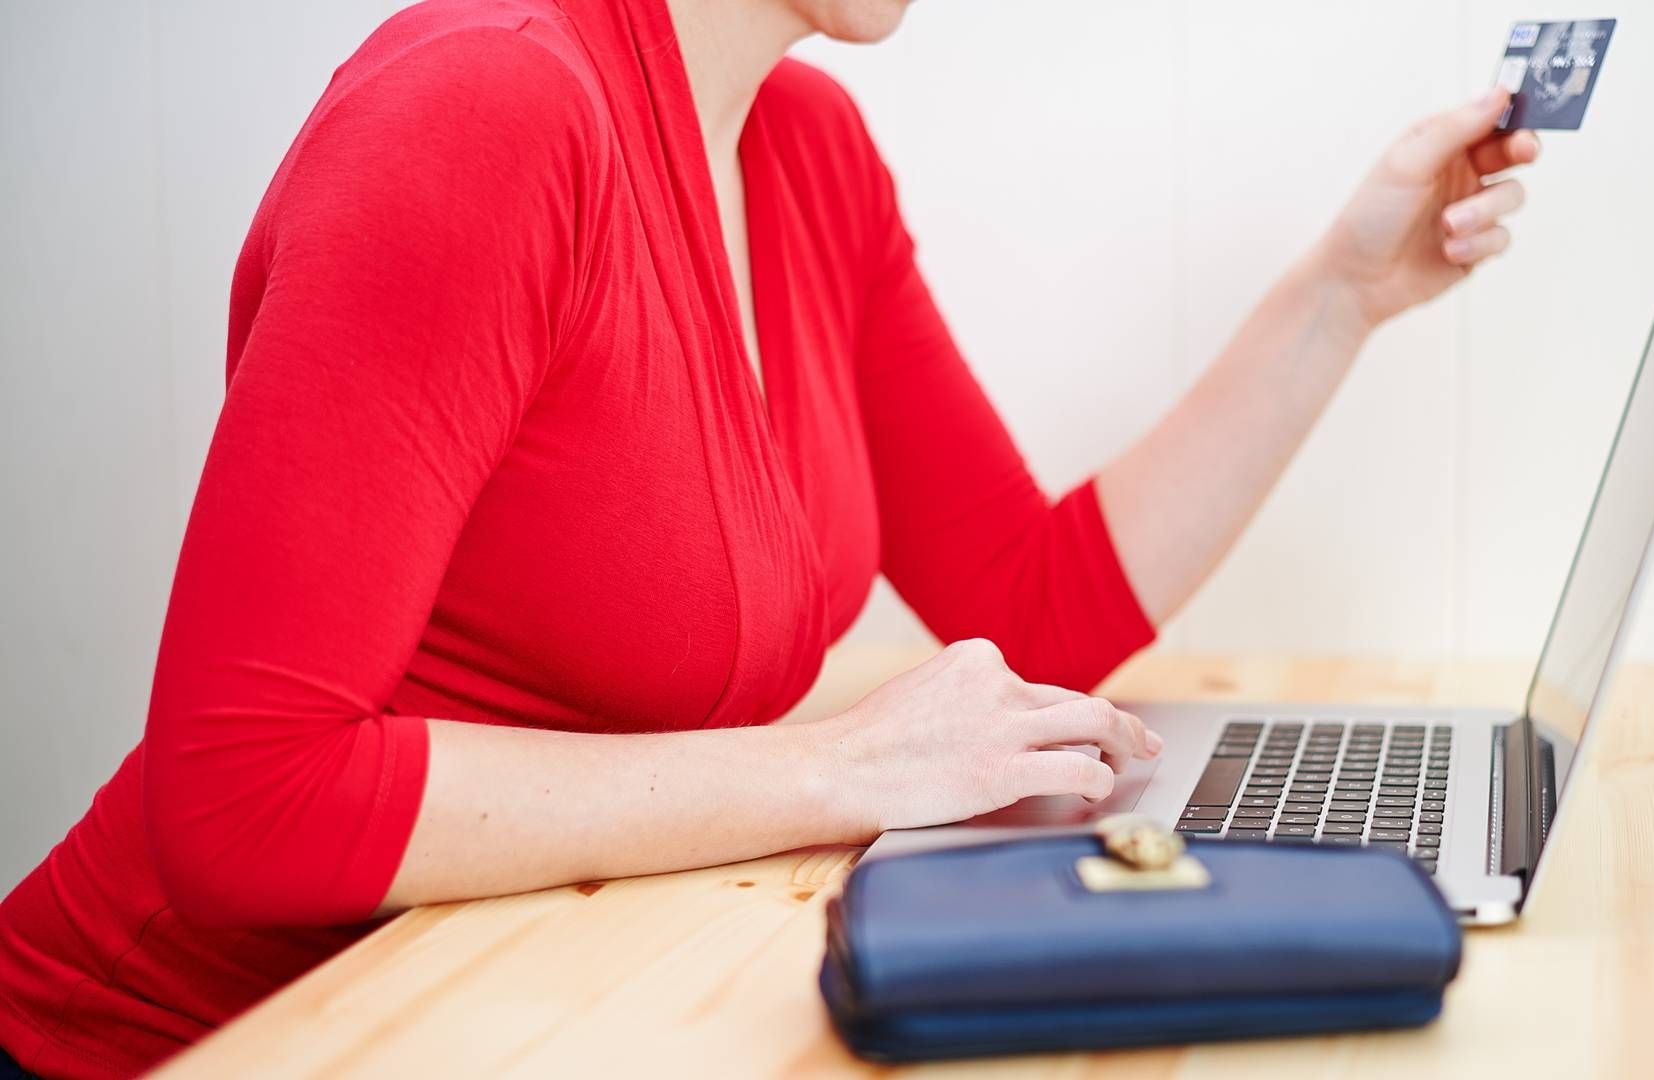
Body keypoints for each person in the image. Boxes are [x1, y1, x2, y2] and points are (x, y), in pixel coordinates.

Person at [0, 0, 1538, 1075]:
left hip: (483, 1010)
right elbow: (241, 798)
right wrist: (834, 769)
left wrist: (1346, 293)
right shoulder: (480, 107)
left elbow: (1030, 601)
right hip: (173, 1048)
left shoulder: (801, 150)